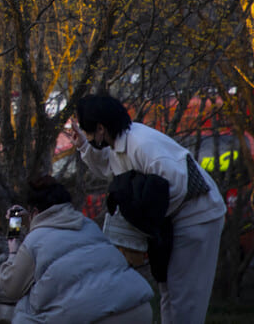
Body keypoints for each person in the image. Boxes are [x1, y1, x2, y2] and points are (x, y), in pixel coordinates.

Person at [71, 94, 226, 324]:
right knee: (169, 291)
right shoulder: (121, 142)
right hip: (176, 218)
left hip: (197, 216)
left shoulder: (142, 144)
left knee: (185, 296)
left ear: (101, 128)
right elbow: (108, 166)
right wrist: (84, 146)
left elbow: (177, 183)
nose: (89, 136)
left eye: (88, 131)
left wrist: (144, 221)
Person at [0, 176, 154, 323]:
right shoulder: (88, 225)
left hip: (96, 316)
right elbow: (54, 226)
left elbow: (11, 288)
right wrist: (30, 220)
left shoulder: (34, 241)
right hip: (137, 308)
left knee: (25, 309)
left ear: (35, 212)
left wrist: (13, 252)